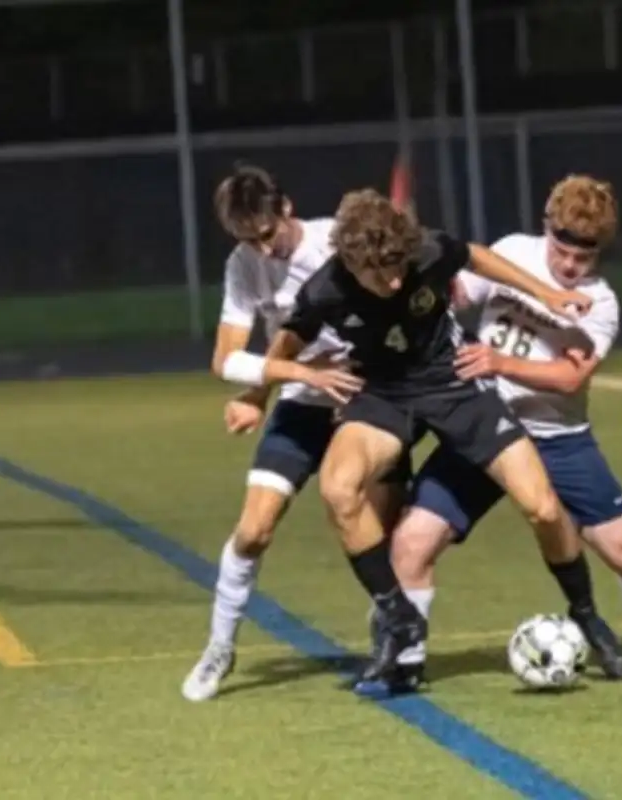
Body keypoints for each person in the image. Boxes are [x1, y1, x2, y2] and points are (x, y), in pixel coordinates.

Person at [247, 188, 622, 692]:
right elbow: (288, 341)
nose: (392, 279)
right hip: (384, 395)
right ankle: (397, 619)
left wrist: (548, 295)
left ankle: (586, 614)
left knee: (542, 508)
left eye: (396, 267)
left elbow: (475, 255)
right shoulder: (326, 290)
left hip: (456, 386)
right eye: (378, 273)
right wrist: (257, 395)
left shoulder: (423, 250)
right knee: (339, 488)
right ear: (349, 262)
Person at [372, 174, 622, 692]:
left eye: (582, 259)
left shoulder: (599, 302)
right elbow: (455, 293)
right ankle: (404, 664)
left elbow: (570, 378)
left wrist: (497, 360)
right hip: (482, 427)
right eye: (562, 252)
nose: (569, 266)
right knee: (411, 543)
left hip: (558, 437)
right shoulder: (513, 252)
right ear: (546, 230)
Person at [182, 165, 405, 702]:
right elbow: (225, 359)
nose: (262, 250)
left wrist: (273, 379)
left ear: (286, 208)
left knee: (378, 530)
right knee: (254, 529)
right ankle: (219, 647)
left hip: (367, 398)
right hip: (302, 403)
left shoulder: (338, 240)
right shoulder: (243, 266)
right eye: (247, 240)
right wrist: (281, 385)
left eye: (266, 235)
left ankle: (391, 644)